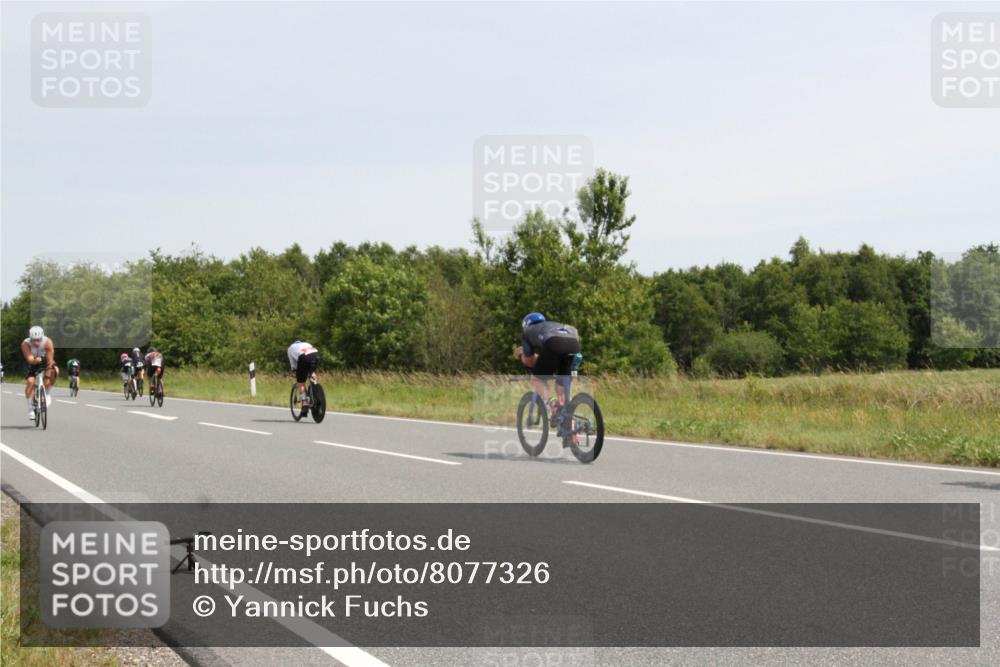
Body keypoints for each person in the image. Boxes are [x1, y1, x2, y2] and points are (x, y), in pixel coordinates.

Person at [514, 312, 581, 417]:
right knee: (562, 387)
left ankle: (550, 405)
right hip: (574, 344)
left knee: (536, 378)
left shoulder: (527, 332)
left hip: (554, 344)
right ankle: (569, 422)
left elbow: (529, 361)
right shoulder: (552, 325)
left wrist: (521, 354)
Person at [21, 326, 57, 421]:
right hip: (32, 362)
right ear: (30, 338)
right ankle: (30, 409)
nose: (36, 343)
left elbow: (50, 361)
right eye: (34, 340)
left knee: (55, 370)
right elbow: (30, 359)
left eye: (38, 340)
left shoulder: (47, 342)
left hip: (45, 361)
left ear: (42, 337)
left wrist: (48, 376)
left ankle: (47, 394)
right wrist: (36, 360)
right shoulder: (25, 343)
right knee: (30, 382)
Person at [287, 340, 320, 406]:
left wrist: (295, 371)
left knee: (301, 383)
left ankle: (304, 402)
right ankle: (315, 384)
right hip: (316, 355)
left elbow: (293, 365)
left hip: (303, 357)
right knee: (311, 371)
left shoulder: (290, 349)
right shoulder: (307, 343)